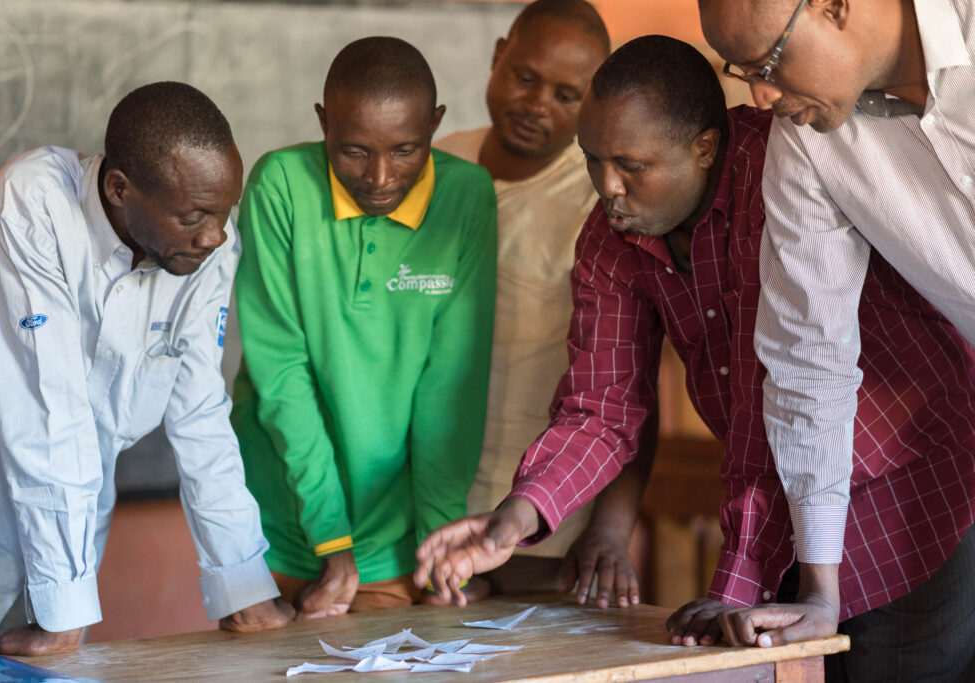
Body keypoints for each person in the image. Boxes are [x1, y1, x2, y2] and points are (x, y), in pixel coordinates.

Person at [413, 35, 975, 681]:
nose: (608, 187)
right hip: (796, 512)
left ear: (704, 146)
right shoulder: (610, 235)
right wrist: (513, 518)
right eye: (592, 160)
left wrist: (734, 582)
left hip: (919, 488)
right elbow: (601, 407)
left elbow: (787, 395)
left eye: (631, 164)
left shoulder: (779, 177)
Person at [0, 82, 292, 658]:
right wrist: (64, 607)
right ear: (119, 188)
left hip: (75, 540)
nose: (215, 235)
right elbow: (47, 412)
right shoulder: (30, 206)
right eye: (194, 215)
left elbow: (201, 410)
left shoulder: (206, 246)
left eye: (224, 212)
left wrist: (244, 585)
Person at [698, 1, 975, 677]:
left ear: (832, 6)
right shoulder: (808, 137)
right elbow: (807, 354)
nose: (760, 95)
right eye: (742, 73)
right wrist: (822, 590)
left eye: (767, 64)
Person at [231, 37, 497, 620]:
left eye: (406, 150)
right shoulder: (281, 186)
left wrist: (441, 546)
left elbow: (451, 382)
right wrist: (332, 541)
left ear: (436, 125)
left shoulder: (467, 196)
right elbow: (282, 373)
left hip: (397, 532)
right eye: (352, 151)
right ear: (323, 123)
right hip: (277, 510)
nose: (379, 177)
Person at [436, 0, 649, 607]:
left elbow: (628, 391)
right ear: (499, 55)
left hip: (547, 528)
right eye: (526, 77)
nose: (536, 105)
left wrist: (608, 532)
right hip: (426, 509)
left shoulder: (600, 203)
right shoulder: (436, 166)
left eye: (566, 94)